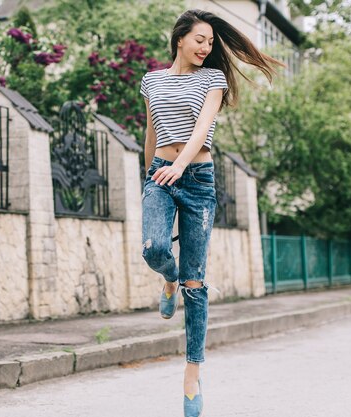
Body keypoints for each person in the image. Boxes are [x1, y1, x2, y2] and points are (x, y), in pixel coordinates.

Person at [140, 9, 282, 417]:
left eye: (210, 42)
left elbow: (202, 130)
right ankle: (167, 280)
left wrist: (180, 166)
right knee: (153, 249)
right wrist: (149, 177)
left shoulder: (213, 80)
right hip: (159, 175)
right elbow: (152, 130)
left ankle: (191, 375)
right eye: (199, 39)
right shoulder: (152, 80)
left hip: (198, 178)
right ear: (180, 38)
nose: (205, 47)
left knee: (196, 282)